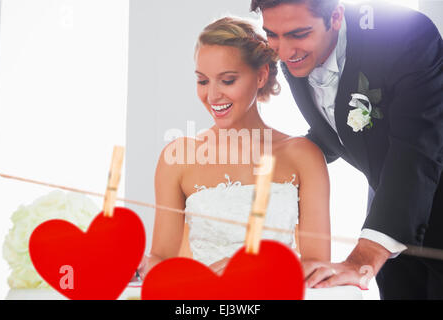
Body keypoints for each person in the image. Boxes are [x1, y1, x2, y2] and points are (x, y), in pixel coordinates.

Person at [251, 0, 443, 299]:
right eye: (272, 35)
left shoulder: (406, 34)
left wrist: (363, 256)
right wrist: (280, 161)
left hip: (416, 202)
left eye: (299, 34)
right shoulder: (293, 52)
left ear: (336, 16)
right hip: (389, 217)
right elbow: (336, 127)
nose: (284, 52)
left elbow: (417, 147)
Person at [138, 17, 331, 279]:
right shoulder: (178, 158)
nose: (213, 96)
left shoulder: (303, 155)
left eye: (227, 80)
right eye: (203, 81)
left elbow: (317, 266)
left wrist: (248, 268)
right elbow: (162, 261)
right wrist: (139, 265)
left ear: (261, 75)